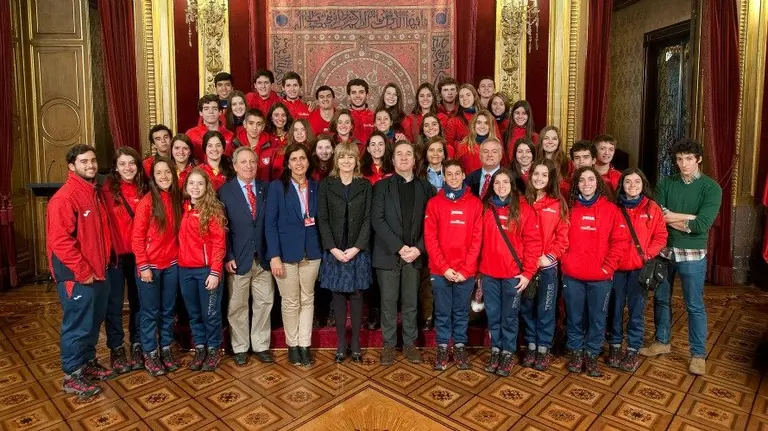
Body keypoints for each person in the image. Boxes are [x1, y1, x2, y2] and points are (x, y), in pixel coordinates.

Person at [640, 138, 722, 376]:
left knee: (694, 304)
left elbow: (703, 224)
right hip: (665, 250)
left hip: (693, 253)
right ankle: (662, 342)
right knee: (661, 298)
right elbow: (656, 216)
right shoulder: (667, 183)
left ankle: (698, 354)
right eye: (679, 159)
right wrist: (688, 218)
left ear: (698, 160)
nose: (683, 164)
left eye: (688, 159)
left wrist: (674, 216)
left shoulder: (711, 187)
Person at [48, 144, 114, 398]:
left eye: (93, 161)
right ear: (72, 167)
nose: (91, 165)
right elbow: (60, 241)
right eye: (84, 161)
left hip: (98, 272)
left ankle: (87, 363)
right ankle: (72, 374)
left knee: (92, 323)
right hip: (78, 277)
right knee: (77, 325)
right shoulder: (65, 198)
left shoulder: (92, 192)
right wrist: (82, 271)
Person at [562, 167, 628, 378]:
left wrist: (608, 267)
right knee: (574, 317)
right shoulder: (569, 208)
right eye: (582, 180)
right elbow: (561, 240)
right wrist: (566, 263)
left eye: (591, 179)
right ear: (577, 184)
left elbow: (619, 242)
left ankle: (592, 353)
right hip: (573, 275)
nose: (587, 184)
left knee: (597, 318)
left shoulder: (611, 210)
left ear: (597, 183)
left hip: (600, 277)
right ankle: (576, 352)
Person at [372, 141, 434, 366]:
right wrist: (399, 247)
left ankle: (409, 343)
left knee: (411, 302)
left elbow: (431, 223)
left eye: (409, 153)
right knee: (388, 302)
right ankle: (388, 345)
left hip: (415, 255)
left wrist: (418, 248)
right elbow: (377, 220)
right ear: (393, 159)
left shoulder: (426, 187)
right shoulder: (381, 187)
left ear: (415, 159)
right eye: (400, 154)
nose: (405, 157)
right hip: (388, 253)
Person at [480, 169, 542, 376]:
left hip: (513, 276)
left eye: (505, 182)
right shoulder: (486, 209)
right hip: (489, 274)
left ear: (512, 185)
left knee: (509, 317)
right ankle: (496, 349)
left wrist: (528, 273)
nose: (501, 186)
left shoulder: (524, 209)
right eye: (497, 183)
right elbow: (478, 242)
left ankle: (508, 351)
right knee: (493, 316)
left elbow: (533, 244)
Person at [266, 143, 322, 366]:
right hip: (285, 254)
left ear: (308, 162)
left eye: (303, 158)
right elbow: (269, 225)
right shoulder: (277, 188)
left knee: (308, 299)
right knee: (290, 302)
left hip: (312, 251)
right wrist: (274, 256)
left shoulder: (316, 187)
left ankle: (304, 344)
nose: (299, 163)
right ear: (287, 164)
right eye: (294, 159)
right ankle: (292, 345)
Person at [606, 168, 667, 372]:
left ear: (643, 185)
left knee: (636, 311)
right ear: (621, 185)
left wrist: (647, 255)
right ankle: (615, 345)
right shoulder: (613, 208)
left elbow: (660, 236)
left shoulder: (652, 208)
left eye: (637, 182)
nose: (632, 186)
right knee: (614, 309)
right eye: (628, 182)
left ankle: (632, 348)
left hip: (639, 269)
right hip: (616, 268)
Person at [424, 160, 483, 370]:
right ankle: (441, 348)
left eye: (457, 173)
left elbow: (477, 240)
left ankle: (458, 347)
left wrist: (466, 269)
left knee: (460, 311)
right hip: (441, 271)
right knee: (442, 311)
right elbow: (430, 239)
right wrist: (444, 268)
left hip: (465, 271)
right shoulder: (434, 203)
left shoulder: (475, 204)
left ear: (463, 175)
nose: (454, 177)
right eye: (449, 174)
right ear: (444, 177)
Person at [317, 142, 372, 363]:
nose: (346, 161)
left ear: (356, 161)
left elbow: (368, 218)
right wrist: (333, 248)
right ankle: (341, 343)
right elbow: (323, 218)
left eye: (350, 157)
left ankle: (356, 343)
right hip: (335, 251)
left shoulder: (365, 185)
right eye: (342, 157)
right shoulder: (327, 185)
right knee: (338, 296)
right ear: (336, 161)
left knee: (357, 295)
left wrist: (357, 247)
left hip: (358, 250)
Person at [220, 147, 274, 366]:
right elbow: (222, 227)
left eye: (252, 161)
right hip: (238, 259)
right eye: (243, 162)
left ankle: (261, 345)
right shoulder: (224, 191)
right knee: (238, 306)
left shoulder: (266, 188)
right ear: (234, 166)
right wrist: (228, 255)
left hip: (263, 258)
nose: (249, 166)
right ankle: (241, 347)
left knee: (264, 303)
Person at [132, 156, 183, 376]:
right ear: (153, 177)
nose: (164, 177)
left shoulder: (175, 199)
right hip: (149, 266)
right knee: (150, 311)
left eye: (168, 172)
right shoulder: (146, 202)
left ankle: (165, 348)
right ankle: (150, 352)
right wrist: (143, 266)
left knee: (168, 311)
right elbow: (137, 237)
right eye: (159, 173)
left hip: (171, 264)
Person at [520, 159, 569, 371]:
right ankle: (531, 343)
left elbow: (563, 238)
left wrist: (549, 256)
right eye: (536, 174)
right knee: (527, 307)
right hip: (526, 267)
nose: (539, 178)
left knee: (546, 308)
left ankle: (543, 347)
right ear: (530, 177)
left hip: (547, 268)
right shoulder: (522, 203)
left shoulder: (558, 204)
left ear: (550, 179)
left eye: (544, 175)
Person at [103, 147, 148, 374]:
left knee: (139, 302)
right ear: (116, 167)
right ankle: (117, 348)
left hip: (140, 256)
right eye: (122, 164)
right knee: (114, 304)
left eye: (132, 163)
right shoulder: (107, 191)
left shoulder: (146, 189)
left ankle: (138, 344)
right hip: (116, 256)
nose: (128, 168)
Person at [179, 168, 226, 371]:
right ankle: (200, 348)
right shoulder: (181, 208)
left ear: (207, 187)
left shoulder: (213, 210)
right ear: (186, 186)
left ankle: (214, 349)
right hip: (184, 270)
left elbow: (219, 244)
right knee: (194, 313)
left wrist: (215, 272)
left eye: (200, 183)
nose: (195, 187)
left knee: (211, 314)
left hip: (207, 271)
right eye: (191, 183)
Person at [186, 95, 235, 162]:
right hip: (198, 171)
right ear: (200, 113)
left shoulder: (230, 135)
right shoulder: (191, 134)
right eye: (206, 109)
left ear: (220, 112)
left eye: (214, 108)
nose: (211, 112)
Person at [455, 110, 497, 174]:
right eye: (479, 122)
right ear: (474, 125)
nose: (482, 126)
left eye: (486, 123)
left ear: (490, 126)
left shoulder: (497, 146)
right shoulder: (463, 146)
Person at [444, 84, 483, 150]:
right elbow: (448, 146)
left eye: (468, 95)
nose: (465, 98)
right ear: (459, 100)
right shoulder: (453, 121)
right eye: (461, 96)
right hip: (462, 157)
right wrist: (461, 144)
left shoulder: (486, 116)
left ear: (474, 96)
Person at [536, 126, 572, 196]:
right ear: (541, 141)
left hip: (561, 202)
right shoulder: (534, 161)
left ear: (559, 142)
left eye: (554, 139)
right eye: (546, 138)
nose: (550, 142)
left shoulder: (567, 163)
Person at [346, 78, 375, 144]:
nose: (357, 96)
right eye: (354, 92)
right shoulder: (342, 117)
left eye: (361, 92)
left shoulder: (375, 117)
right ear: (349, 97)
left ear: (367, 95)